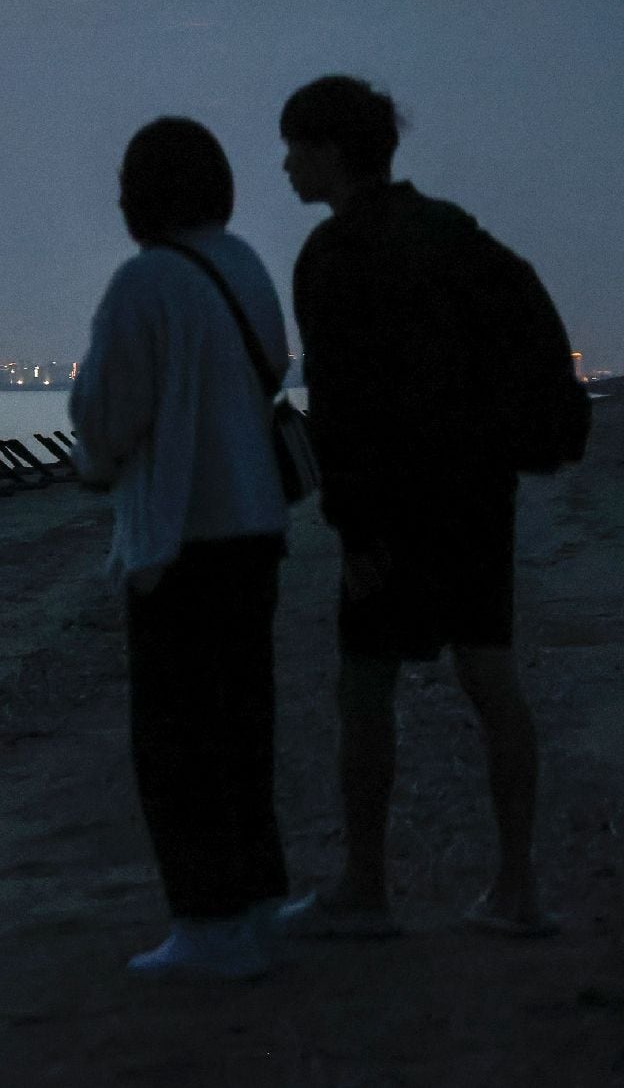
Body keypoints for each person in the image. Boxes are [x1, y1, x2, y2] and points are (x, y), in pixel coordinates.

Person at [277, 75, 559, 938]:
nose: (286, 164)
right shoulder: (456, 234)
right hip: (475, 495)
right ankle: (517, 886)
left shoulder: (330, 257)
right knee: (490, 676)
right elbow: (537, 336)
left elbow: (345, 407)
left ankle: (368, 886)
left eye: (295, 147)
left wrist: (354, 527)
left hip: (393, 513)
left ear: (331, 152)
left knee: (365, 687)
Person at [71, 117, 293, 980]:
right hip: (257, 524)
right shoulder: (245, 268)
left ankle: (206, 921)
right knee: (245, 723)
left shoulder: (144, 282)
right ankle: (257, 897)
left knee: (175, 736)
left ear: (141, 195)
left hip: (180, 535)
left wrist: (93, 462)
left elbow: (105, 415)